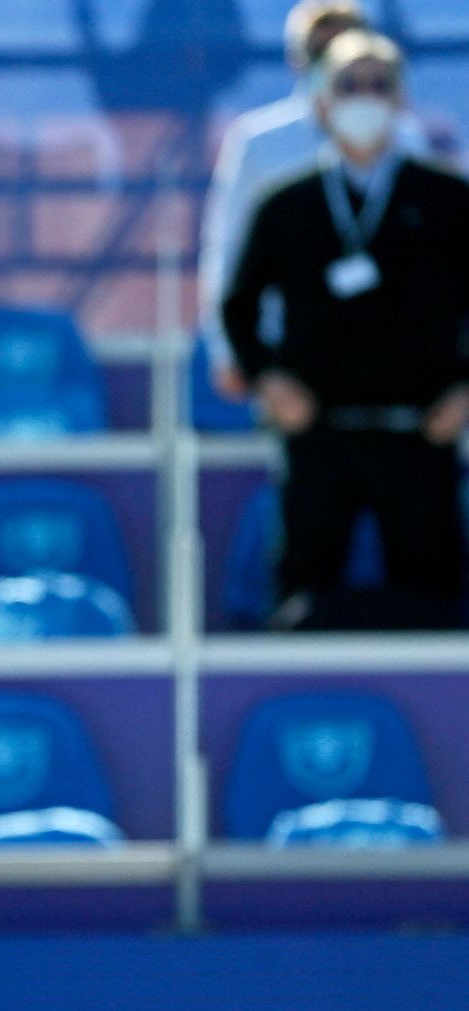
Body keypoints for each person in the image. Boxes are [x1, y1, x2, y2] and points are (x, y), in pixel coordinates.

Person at [222, 30, 469, 630]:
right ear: (321, 102)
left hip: (422, 433)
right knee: (303, 595)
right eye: (349, 84)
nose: (365, 98)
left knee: (434, 600)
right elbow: (239, 303)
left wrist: (466, 392)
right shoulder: (288, 203)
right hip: (318, 435)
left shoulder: (448, 200)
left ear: (402, 99)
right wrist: (269, 379)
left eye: (379, 84)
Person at [199, 1, 428, 400]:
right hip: (291, 350)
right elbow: (227, 248)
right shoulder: (260, 142)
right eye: (320, 51)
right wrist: (231, 352)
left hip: (392, 353)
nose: (335, 62)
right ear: (297, 58)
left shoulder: (405, 139)